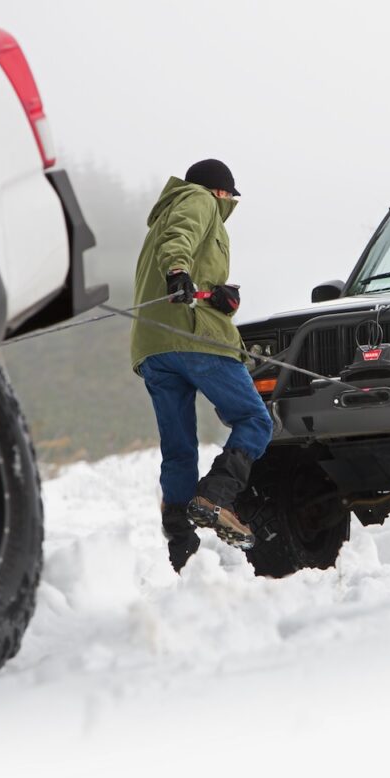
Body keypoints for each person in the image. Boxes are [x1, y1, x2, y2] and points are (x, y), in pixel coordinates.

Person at [130, 159, 272, 570]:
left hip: (153, 347)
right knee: (255, 421)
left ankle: (181, 549)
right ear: (221, 191)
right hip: (196, 337)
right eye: (230, 196)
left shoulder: (160, 218)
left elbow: (176, 246)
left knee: (178, 448)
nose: (229, 203)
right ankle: (214, 498)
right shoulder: (197, 198)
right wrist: (179, 271)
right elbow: (181, 238)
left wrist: (214, 292)